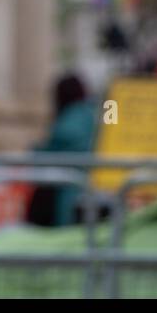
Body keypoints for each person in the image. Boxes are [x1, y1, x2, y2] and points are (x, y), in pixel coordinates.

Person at [26, 74, 97, 227]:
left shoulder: (66, 123)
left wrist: (34, 149)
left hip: (68, 195)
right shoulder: (94, 115)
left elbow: (45, 157)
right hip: (95, 192)